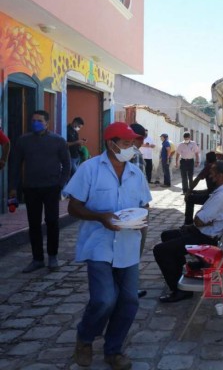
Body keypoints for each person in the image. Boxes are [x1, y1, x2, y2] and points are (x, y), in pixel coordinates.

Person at [63, 122, 151, 369]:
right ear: (111, 143)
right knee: (104, 299)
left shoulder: (136, 173)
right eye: (125, 143)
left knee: (129, 301)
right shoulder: (90, 169)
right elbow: (73, 207)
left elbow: (145, 205)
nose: (131, 147)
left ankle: (113, 350)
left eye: (132, 142)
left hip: (128, 245)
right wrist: (101, 217)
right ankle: (85, 337)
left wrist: (141, 218)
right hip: (99, 244)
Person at [154, 161, 223, 303]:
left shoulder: (221, 196)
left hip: (205, 238)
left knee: (160, 250)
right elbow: (201, 220)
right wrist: (204, 220)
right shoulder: (221, 191)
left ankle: (179, 290)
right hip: (201, 232)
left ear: (221, 176)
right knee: (166, 235)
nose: (210, 176)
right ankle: (177, 272)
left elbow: (198, 220)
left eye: (213, 173)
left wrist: (203, 219)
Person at [9, 110, 70, 273]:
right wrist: (13, 187)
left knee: (52, 222)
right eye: (33, 120)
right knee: (34, 224)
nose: (35, 123)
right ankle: (37, 259)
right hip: (31, 188)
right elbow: (15, 164)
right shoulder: (23, 141)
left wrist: (61, 184)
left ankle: (52, 256)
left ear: (47, 123)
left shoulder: (58, 141)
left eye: (39, 120)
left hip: (51, 188)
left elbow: (67, 164)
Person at [129, 123, 150, 299]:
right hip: (136, 208)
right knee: (135, 247)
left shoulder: (120, 154)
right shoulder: (134, 153)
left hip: (126, 207)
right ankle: (129, 287)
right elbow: (137, 184)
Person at [184, 151, 217, 225]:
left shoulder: (209, 167)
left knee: (189, 198)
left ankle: (188, 222)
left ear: (207, 160)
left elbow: (197, 179)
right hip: (212, 192)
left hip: (212, 195)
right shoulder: (218, 165)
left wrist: (189, 191)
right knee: (194, 192)